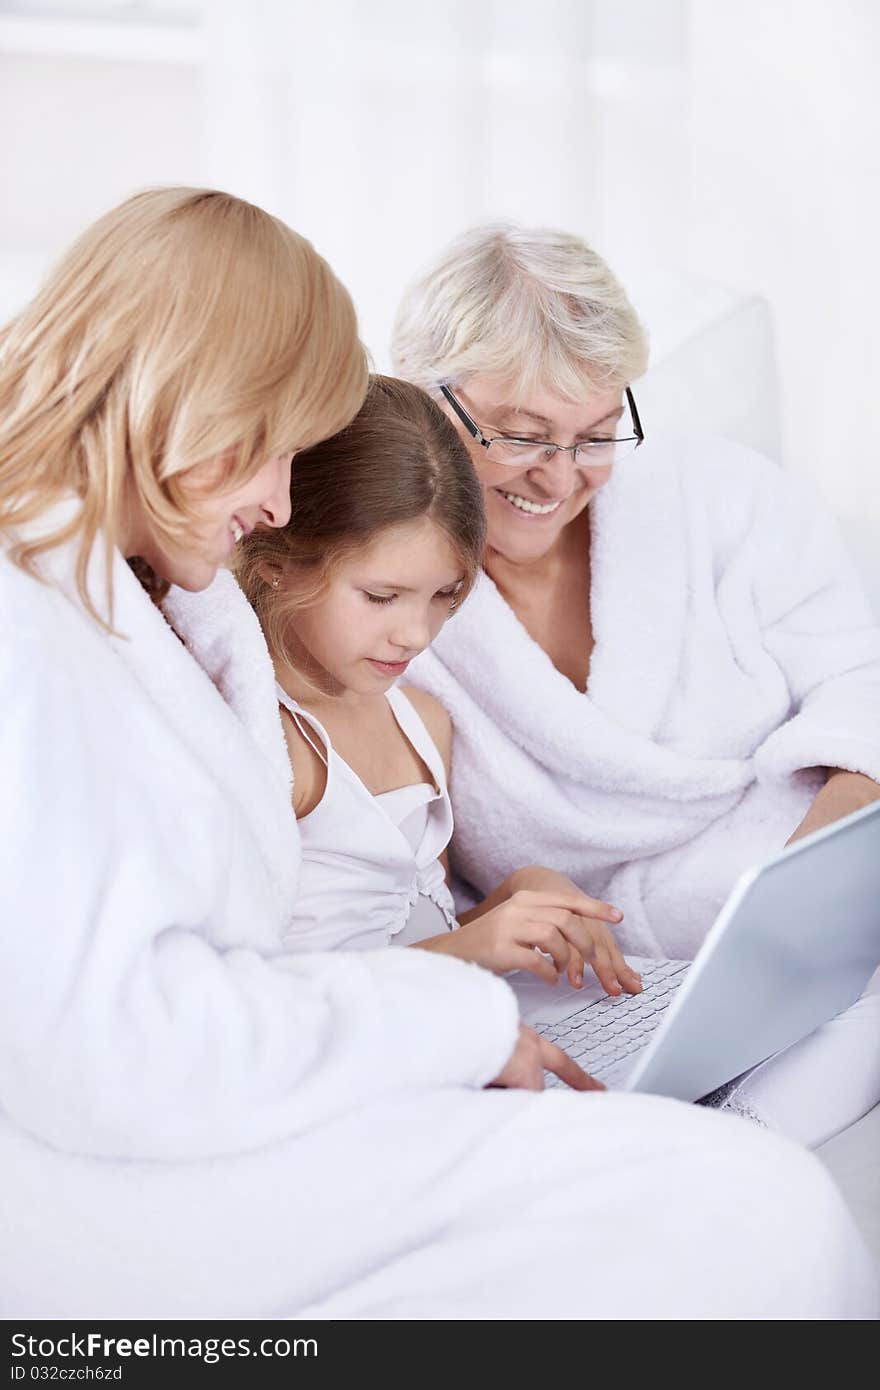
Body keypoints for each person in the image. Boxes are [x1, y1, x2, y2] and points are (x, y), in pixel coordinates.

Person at [0, 190, 876, 1320]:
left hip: (299, 1062)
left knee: (762, 1207)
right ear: (191, 397)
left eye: (591, 432)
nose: (275, 502)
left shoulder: (135, 595)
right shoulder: (49, 630)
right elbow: (131, 1043)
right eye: (271, 453)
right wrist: (449, 1019)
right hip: (152, 1165)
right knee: (762, 1213)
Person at [393, 222, 880, 1148]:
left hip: (818, 931)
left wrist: (809, 885)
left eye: (597, 434)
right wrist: (503, 903)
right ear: (426, 399)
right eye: (524, 436)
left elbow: (862, 686)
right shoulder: (386, 604)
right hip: (617, 985)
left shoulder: (725, 499)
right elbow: (408, 873)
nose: (562, 476)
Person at [235, 373, 641, 1003]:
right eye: (380, 597)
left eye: (445, 596)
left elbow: (414, 932)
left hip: (446, 1031)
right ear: (276, 566)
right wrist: (469, 947)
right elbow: (252, 997)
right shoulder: (265, 745)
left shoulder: (423, 722)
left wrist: (519, 899)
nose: (415, 634)